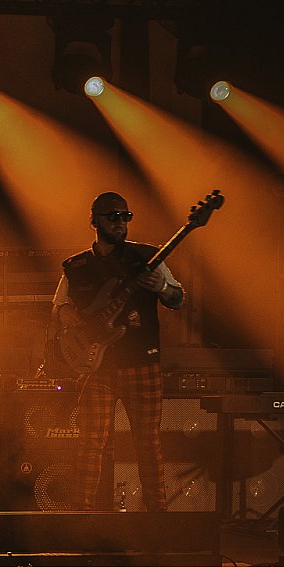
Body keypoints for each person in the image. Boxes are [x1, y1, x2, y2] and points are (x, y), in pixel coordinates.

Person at [52, 192, 184, 511]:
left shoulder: (148, 257)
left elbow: (178, 298)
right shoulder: (76, 266)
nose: (120, 222)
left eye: (125, 216)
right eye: (113, 216)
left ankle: (156, 515)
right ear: (94, 221)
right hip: (98, 365)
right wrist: (75, 323)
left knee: (148, 443)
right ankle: (82, 514)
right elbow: (59, 306)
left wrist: (161, 287)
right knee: (91, 441)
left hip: (142, 362)